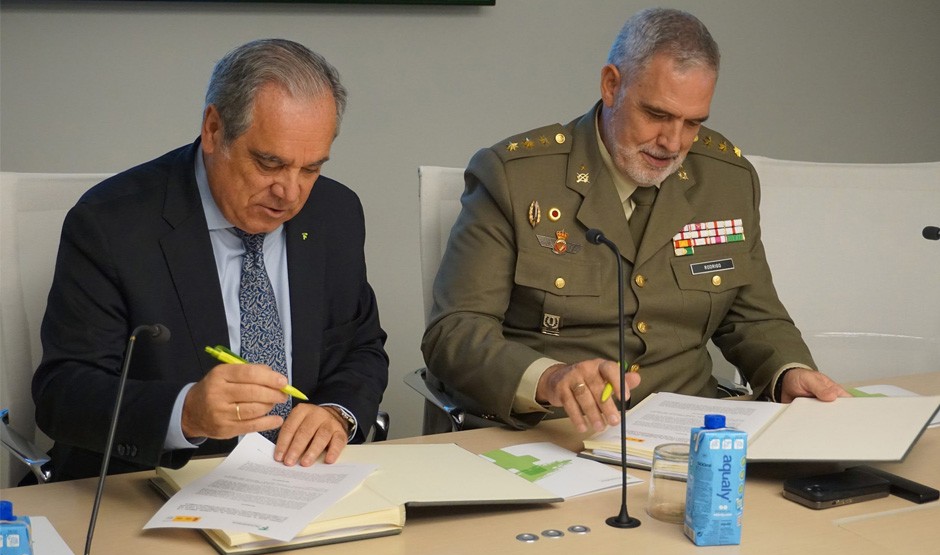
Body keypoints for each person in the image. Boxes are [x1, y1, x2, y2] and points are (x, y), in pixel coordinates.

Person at [421, 8, 847, 435]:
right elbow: (455, 332)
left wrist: (788, 371)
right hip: (551, 431)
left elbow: (753, 318)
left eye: (693, 122)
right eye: (658, 115)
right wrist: (549, 379)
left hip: (686, 435)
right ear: (611, 85)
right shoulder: (516, 177)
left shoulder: (727, 181)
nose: (673, 142)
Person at [30, 39, 388, 483]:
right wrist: (185, 413)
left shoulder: (336, 214)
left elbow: (362, 347)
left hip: (298, 484)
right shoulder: (111, 224)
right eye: (269, 164)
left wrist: (336, 413)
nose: (290, 193)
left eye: (311, 169)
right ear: (215, 129)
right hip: (148, 487)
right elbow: (62, 393)